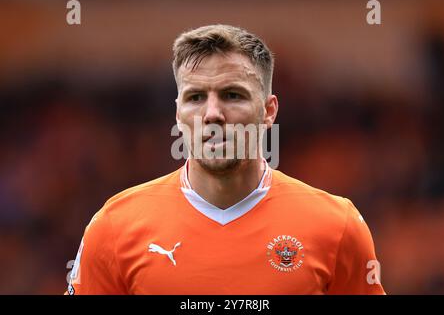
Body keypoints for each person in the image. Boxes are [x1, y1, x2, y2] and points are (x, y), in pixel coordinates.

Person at [67, 24, 385, 295]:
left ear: (268, 110)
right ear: (179, 113)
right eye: (196, 98)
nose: (213, 114)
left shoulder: (337, 226)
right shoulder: (114, 228)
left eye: (233, 95)